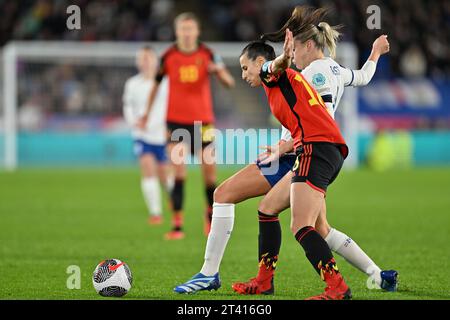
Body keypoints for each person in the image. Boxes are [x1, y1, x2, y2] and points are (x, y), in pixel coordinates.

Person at [174, 6, 397, 300]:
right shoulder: (331, 70)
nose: (242, 74)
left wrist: (285, 145)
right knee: (300, 221)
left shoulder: (308, 72)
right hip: (304, 149)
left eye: (245, 67)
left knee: (238, 200)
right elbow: (362, 77)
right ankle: (376, 275)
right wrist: (375, 52)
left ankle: (209, 274)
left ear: (304, 47)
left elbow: (310, 105)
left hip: (301, 153)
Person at [138, 12, 235, 240]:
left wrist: (218, 72)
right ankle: (177, 225)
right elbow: (155, 86)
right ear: (177, 31)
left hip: (204, 123)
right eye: (183, 29)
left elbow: (230, 83)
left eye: (191, 29)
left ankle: (209, 215)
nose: (187, 33)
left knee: (209, 175)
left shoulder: (208, 54)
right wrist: (146, 114)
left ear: (197, 32)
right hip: (175, 122)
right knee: (179, 172)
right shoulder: (169, 56)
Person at [123, 46, 171, 225]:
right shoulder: (132, 84)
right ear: (137, 62)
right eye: (142, 58)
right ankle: (155, 213)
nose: (145, 62)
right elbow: (127, 106)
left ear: (155, 61)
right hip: (142, 134)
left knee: (165, 175)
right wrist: (133, 123)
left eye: (148, 58)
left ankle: (172, 198)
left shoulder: (166, 82)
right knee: (148, 169)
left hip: (163, 134)